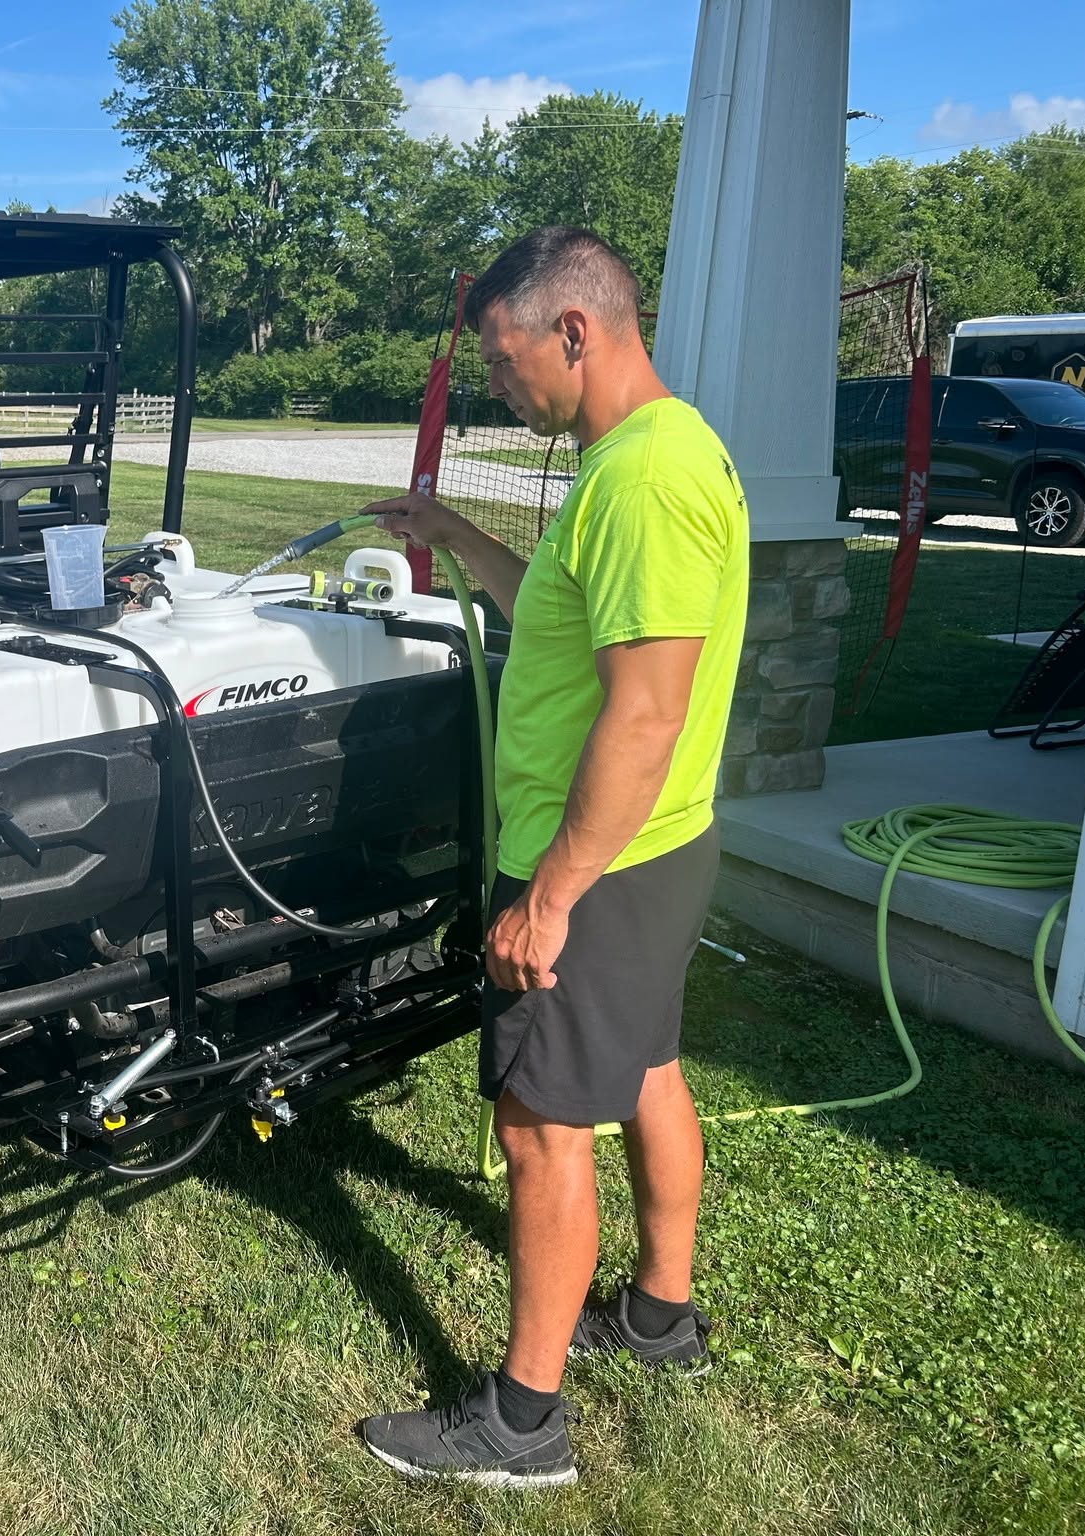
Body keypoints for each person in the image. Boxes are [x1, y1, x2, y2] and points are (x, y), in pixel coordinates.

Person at [353, 226, 749, 1490]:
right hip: (662, 847)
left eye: (504, 357)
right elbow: (569, 617)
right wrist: (451, 536)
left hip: (597, 863)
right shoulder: (659, 454)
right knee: (645, 1070)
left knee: (540, 1129)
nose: (499, 384)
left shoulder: (637, 480)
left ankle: (521, 1427)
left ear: (572, 332)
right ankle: (657, 1317)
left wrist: (552, 897)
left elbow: (642, 711)